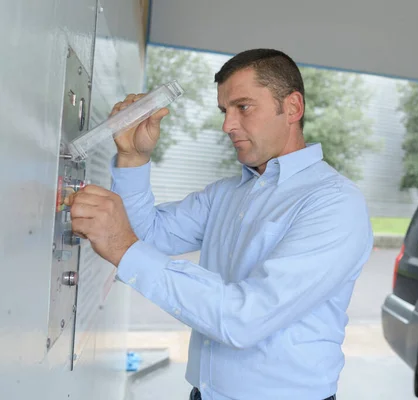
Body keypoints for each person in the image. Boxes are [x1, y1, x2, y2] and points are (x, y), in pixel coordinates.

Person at [65, 48, 373, 400]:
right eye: (224, 111)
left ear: (292, 108)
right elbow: (147, 236)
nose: (227, 125)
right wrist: (134, 158)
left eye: (243, 107)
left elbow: (246, 318)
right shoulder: (227, 194)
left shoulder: (334, 203)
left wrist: (124, 248)